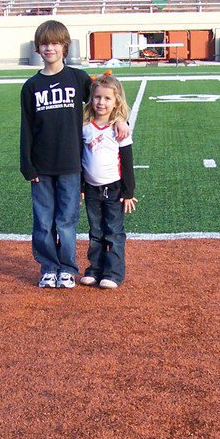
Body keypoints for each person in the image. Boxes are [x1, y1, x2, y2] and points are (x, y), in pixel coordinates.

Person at [20, 21, 127, 289]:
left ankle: (67, 267)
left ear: (65, 47)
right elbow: (26, 127)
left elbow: (106, 95)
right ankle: (48, 266)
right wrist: (27, 165)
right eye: (44, 43)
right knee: (43, 221)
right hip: (41, 166)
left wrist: (121, 119)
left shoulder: (77, 78)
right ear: (38, 48)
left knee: (66, 220)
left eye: (55, 43)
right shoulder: (31, 86)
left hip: (71, 164)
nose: (50, 48)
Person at [79, 73, 137, 289]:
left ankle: (113, 273)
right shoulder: (85, 126)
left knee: (113, 232)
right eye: (97, 97)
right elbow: (80, 158)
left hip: (113, 189)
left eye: (107, 98)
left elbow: (127, 160)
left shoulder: (119, 129)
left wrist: (128, 191)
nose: (101, 102)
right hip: (92, 189)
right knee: (95, 232)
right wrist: (80, 187)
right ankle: (94, 269)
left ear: (116, 102)